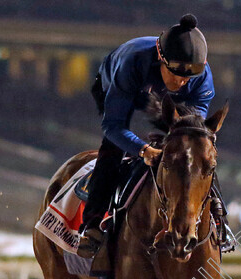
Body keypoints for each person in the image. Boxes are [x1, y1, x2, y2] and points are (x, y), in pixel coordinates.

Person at [77, 13, 231, 258]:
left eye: (188, 76)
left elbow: (194, 134)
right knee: (113, 147)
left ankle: (221, 221)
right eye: (175, 73)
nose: (181, 81)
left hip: (168, 100)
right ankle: (92, 225)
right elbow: (113, 126)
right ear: (160, 58)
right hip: (119, 85)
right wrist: (142, 149)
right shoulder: (132, 63)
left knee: (200, 152)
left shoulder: (201, 80)